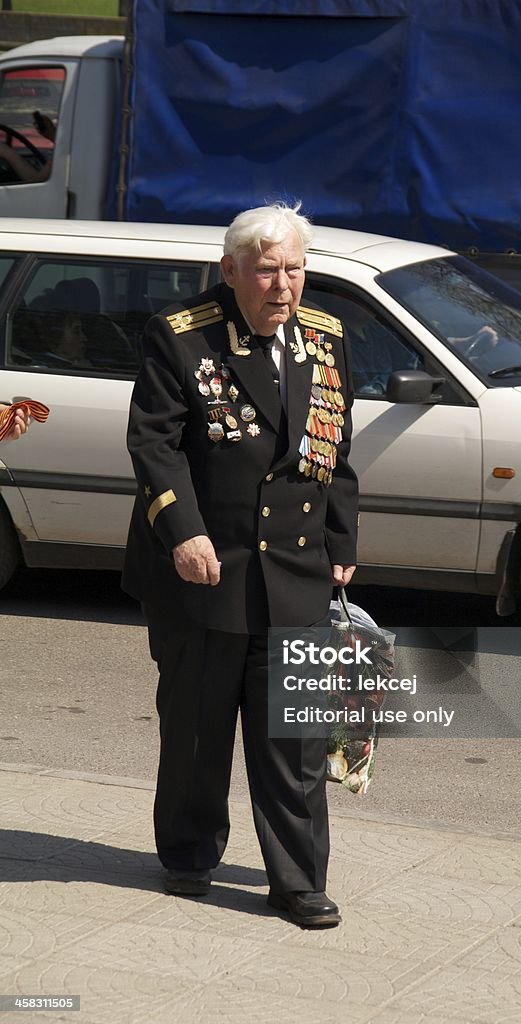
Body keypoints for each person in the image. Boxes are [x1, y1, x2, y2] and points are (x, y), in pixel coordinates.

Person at [123, 202, 359, 929]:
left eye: (293, 268)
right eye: (266, 270)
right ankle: (190, 854)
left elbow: (333, 453)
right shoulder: (181, 336)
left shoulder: (325, 338)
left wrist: (342, 546)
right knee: (197, 730)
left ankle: (297, 882)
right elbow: (154, 446)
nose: (282, 285)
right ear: (231, 272)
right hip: (207, 568)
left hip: (294, 570)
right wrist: (183, 534)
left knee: (293, 737)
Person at [0, 111, 56, 184]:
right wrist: (53, 135)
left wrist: (6, 152)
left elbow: (36, 181)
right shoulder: (71, 150)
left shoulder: (69, 155)